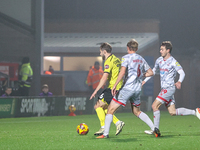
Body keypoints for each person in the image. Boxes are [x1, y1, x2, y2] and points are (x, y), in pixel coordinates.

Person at [96, 39, 160, 139]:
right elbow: (151, 73)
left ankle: (105, 134)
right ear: (137, 48)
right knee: (137, 112)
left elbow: (122, 73)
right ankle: (154, 128)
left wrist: (115, 85)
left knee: (110, 110)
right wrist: (140, 76)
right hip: (137, 89)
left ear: (128, 48)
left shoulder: (125, 58)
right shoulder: (141, 58)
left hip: (127, 89)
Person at [142, 41, 200, 136]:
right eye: (160, 49)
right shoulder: (159, 60)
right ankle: (195, 111)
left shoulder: (173, 61)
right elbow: (152, 72)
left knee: (154, 106)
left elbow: (182, 73)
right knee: (172, 112)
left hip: (169, 88)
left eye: (162, 49)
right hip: (164, 89)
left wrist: (179, 81)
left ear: (168, 50)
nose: (160, 51)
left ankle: (155, 129)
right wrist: (144, 81)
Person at [90, 42, 125, 136]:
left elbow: (104, 77)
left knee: (97, 106)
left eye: (100, 52)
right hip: (118, 87)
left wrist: (95, 91)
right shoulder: (117, 59)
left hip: (113, 87)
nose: (100, 54)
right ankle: (118, 123)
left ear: (104, 51)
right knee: (105, 108)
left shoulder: (108, 61)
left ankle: (103, 127)